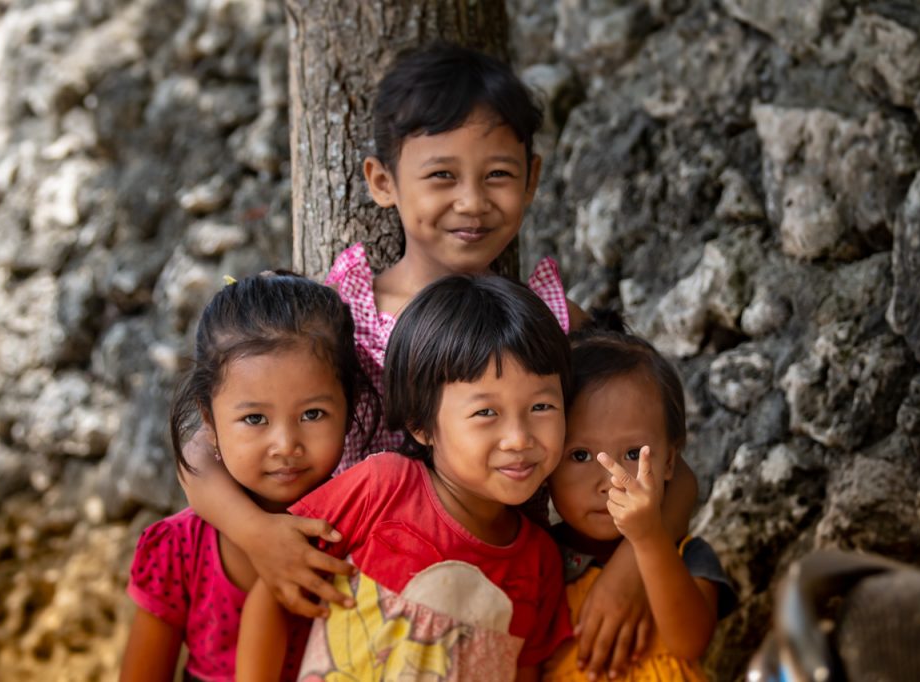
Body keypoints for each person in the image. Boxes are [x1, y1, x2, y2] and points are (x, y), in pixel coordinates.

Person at [183, 42, 699, 677]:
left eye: (498, 175)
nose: (472, 201)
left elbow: (673, 470)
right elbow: (204, 446)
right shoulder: (340, 314)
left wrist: (627, 572)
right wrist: (261, 537)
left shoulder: (552, 323)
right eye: (442, 176)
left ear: (532, 178)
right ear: (382, 182)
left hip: (498, 595)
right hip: (348, 588)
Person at [236, 275, 572, 681]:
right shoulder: (382, 489)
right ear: (420, 424)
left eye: (541, 406)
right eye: (486, 412)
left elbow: (526, 671)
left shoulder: (538, 561)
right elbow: (274, 589)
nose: (519, 438)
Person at [119, 273, 376, 682]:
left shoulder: (366, 534)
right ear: (209, 418)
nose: (285, 444)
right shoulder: (180, 548)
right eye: (254, 418)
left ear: (349, 407)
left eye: (312, 414)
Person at [542, 312, 736, 681]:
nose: (610, 481)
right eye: (581, 455)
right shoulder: (538, 560)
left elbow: (690, 640)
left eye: (633, 454)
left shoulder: (686, 555)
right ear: (547, 460)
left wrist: (648, 540)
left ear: (669, 462)